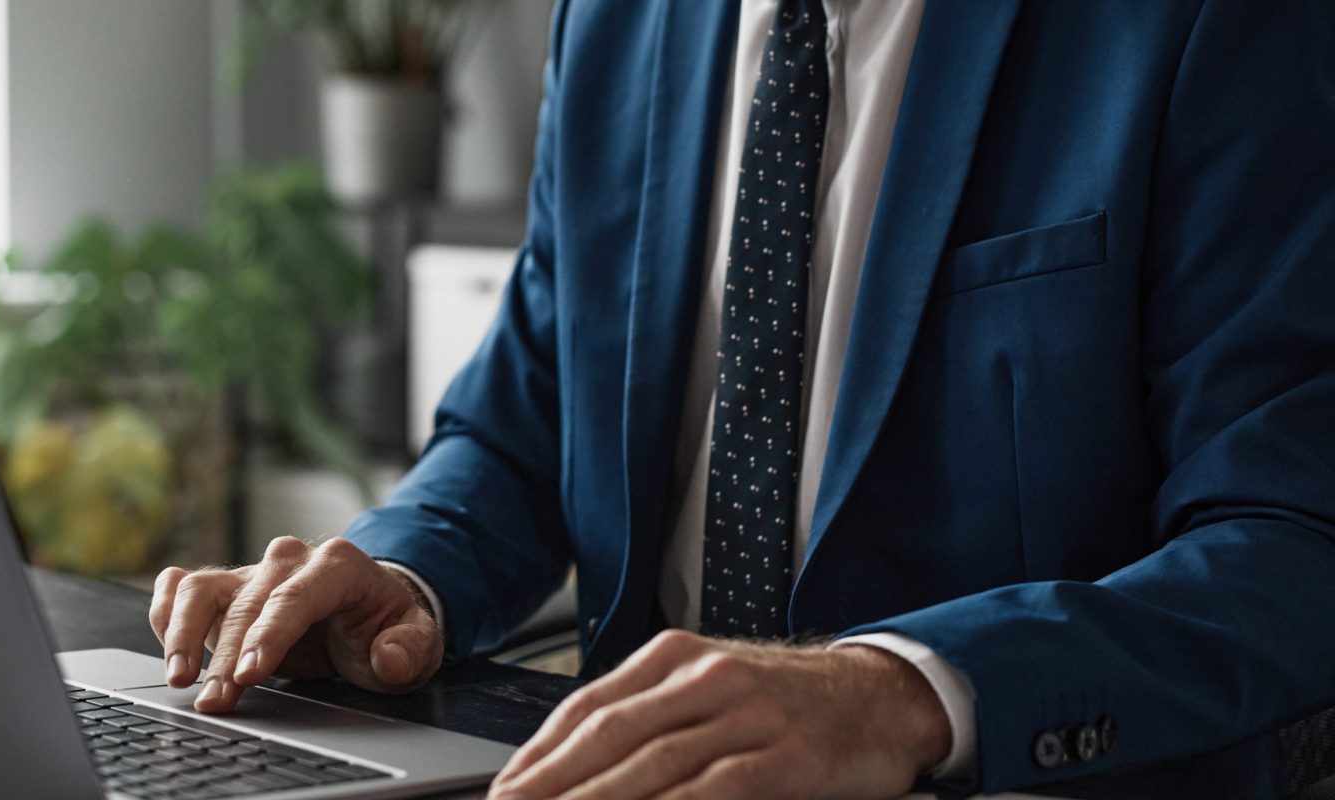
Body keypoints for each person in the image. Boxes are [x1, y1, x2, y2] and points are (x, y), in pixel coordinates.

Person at [150, 1, 1335, 797]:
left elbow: (1290, 540)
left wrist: (902, 690)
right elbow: (521, 427)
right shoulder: (620, 21)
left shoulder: (1208, 25)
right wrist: (393, 573)